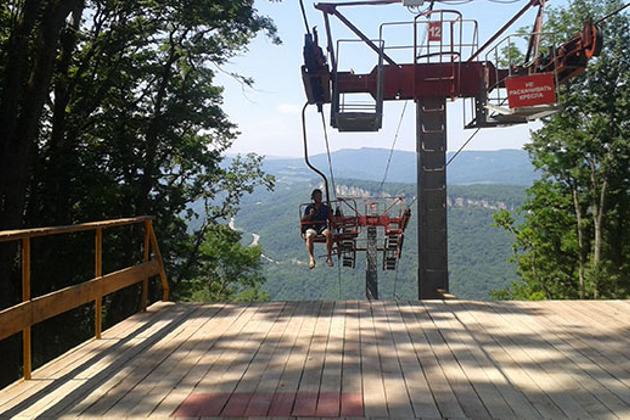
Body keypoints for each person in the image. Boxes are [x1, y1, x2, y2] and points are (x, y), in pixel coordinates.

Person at [302, 188, 333, 269]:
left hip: (322, 226)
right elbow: (304, 219)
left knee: (329, 234)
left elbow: (330, 218)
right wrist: (310, 215)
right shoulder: (309, 208)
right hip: (312, 227)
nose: (319, 198)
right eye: (317, 196)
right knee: (309, 236)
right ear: (314, 198)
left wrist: (329, 210)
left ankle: (329, 257)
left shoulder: (324, 208)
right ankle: (311, 258)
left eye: (320, 196)